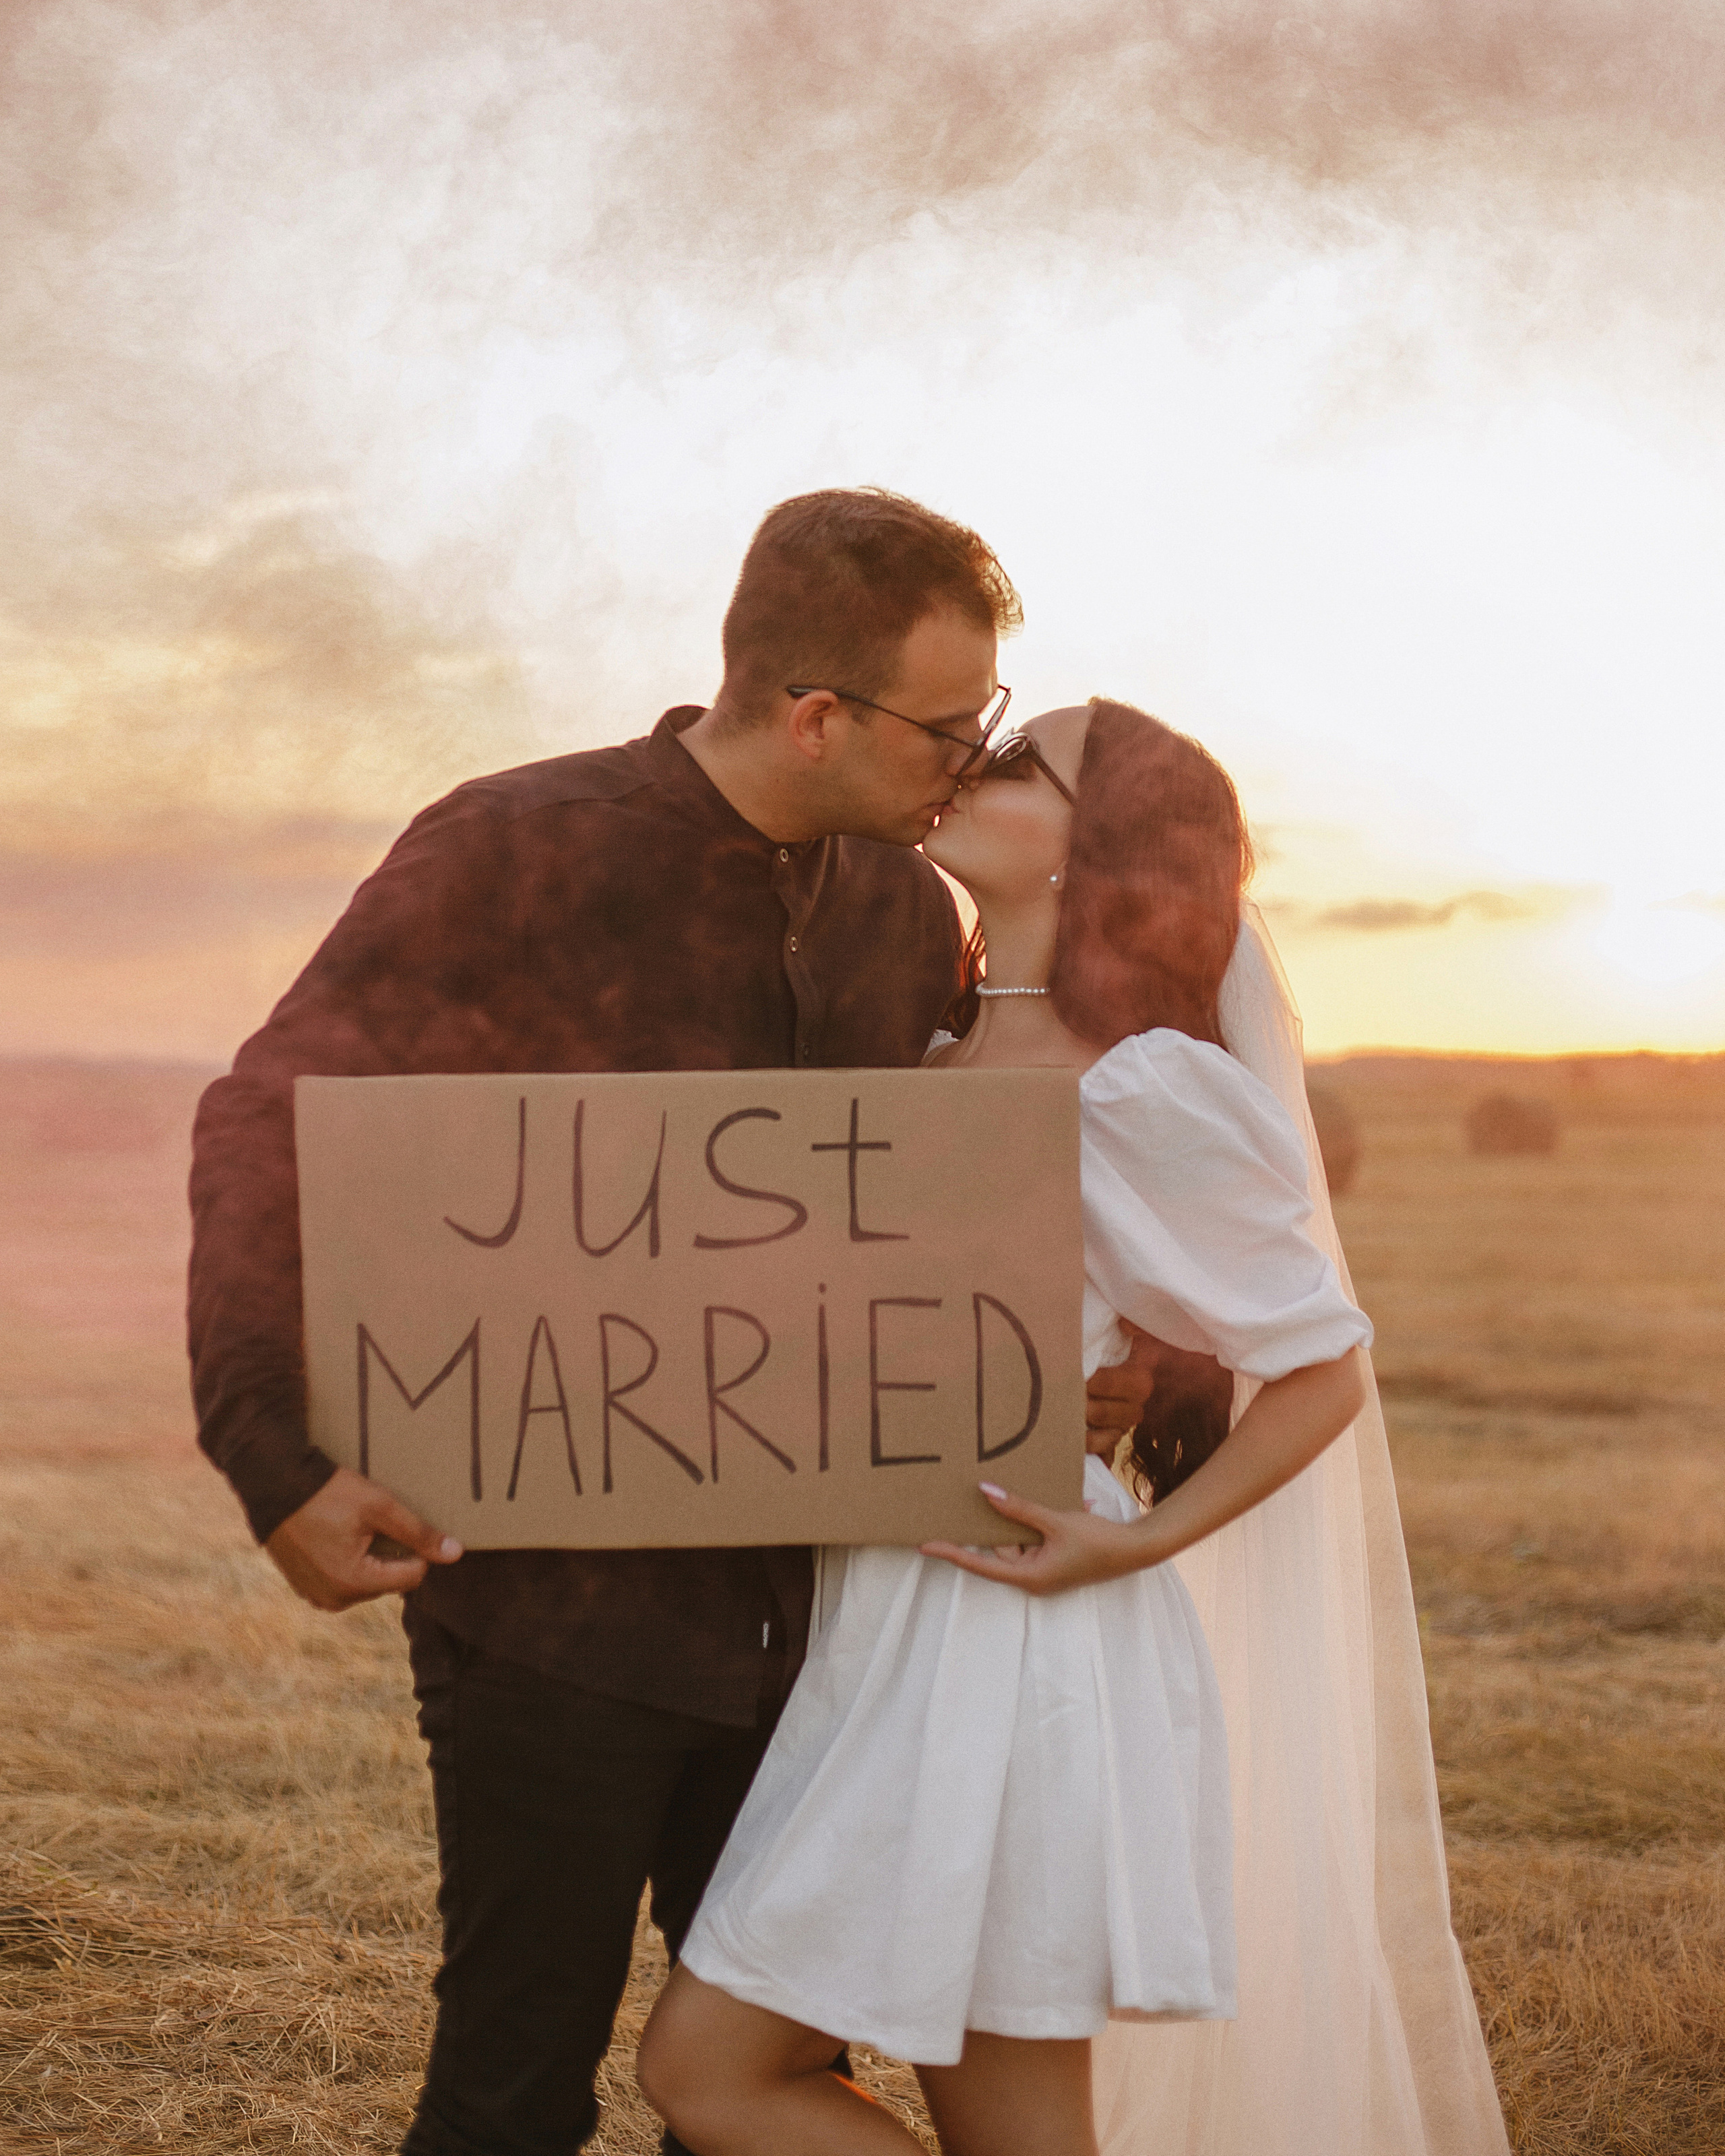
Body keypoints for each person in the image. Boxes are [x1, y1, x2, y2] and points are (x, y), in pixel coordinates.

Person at [185, 492, 1161, 2156]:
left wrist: (1074, 1362)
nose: (970, 758)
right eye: (949, 725)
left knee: (760, 2099)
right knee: (510, 2090)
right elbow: (269, 1119)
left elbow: (942, 1198)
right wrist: (272, 1456)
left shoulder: (906, 912)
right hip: (554, 1617)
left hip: (829, 1628)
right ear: (814, 714)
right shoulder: (507, 848)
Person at [638, 700, 1511, 2156]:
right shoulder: (930, 1056)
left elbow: (1320, 1367)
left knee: (705, 2070)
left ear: (1090, 849)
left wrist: (1135, 1543)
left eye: (1015, 761)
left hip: (1016, 1638)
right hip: (887, 1619)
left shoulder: (1136, 1084)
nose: (967, 768)